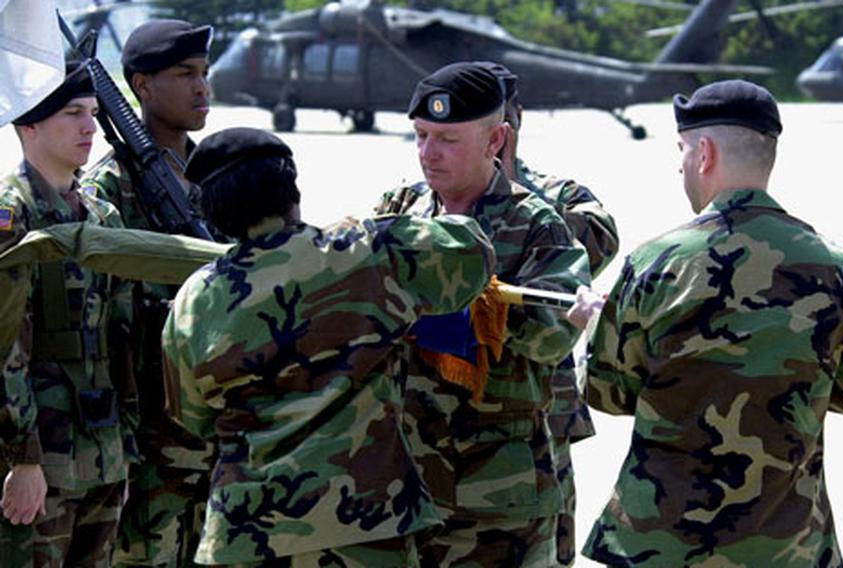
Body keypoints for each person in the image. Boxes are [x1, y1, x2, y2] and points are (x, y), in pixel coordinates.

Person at [572, 80, 843, 566]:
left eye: (681, 150)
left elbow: (607, 393)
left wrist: (592, 329)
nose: (680, 164)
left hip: (661, 545)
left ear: (704, 154)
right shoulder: (834, 266)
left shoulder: (656, 264)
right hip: (788, 546)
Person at [163, 127, 497, 567]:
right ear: (291, 189)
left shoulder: (195, 298)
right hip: (365, 525)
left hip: (247, 533)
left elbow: (192, 415)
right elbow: (471, 250)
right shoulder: (361, 251)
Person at [375, 62, 591, 567]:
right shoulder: (399, 210)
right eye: (421, 136)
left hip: (498, 494)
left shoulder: (537, 225)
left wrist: (454, 306)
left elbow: (551, 333)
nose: (429, 153)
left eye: (447, 138)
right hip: (406, 481)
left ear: (495, 140)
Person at [79, 19, 215, 568]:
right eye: (186, 74)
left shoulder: (218, 173)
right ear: (142, 86)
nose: (203, 87)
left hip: (214, 428)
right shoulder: (107, 190)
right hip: (146, 432)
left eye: (205, 73)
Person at [481, 60, 620, 567]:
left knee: (546, 541)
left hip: (541, 407)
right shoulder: (424, 196)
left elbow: (598, 241)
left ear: (514, 121)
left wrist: (511, 194)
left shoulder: (557, 196)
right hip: (443, 408)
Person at [0, 60, 137, 567]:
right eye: (73, 113)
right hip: (41, 457)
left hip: (103, 449)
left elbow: (122, 331)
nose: (90, 127)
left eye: (94, 113)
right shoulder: (11, 216)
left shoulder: (101, 216)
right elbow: (5, 344)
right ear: (28, 125)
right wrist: (24, 458)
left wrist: (129, 436)